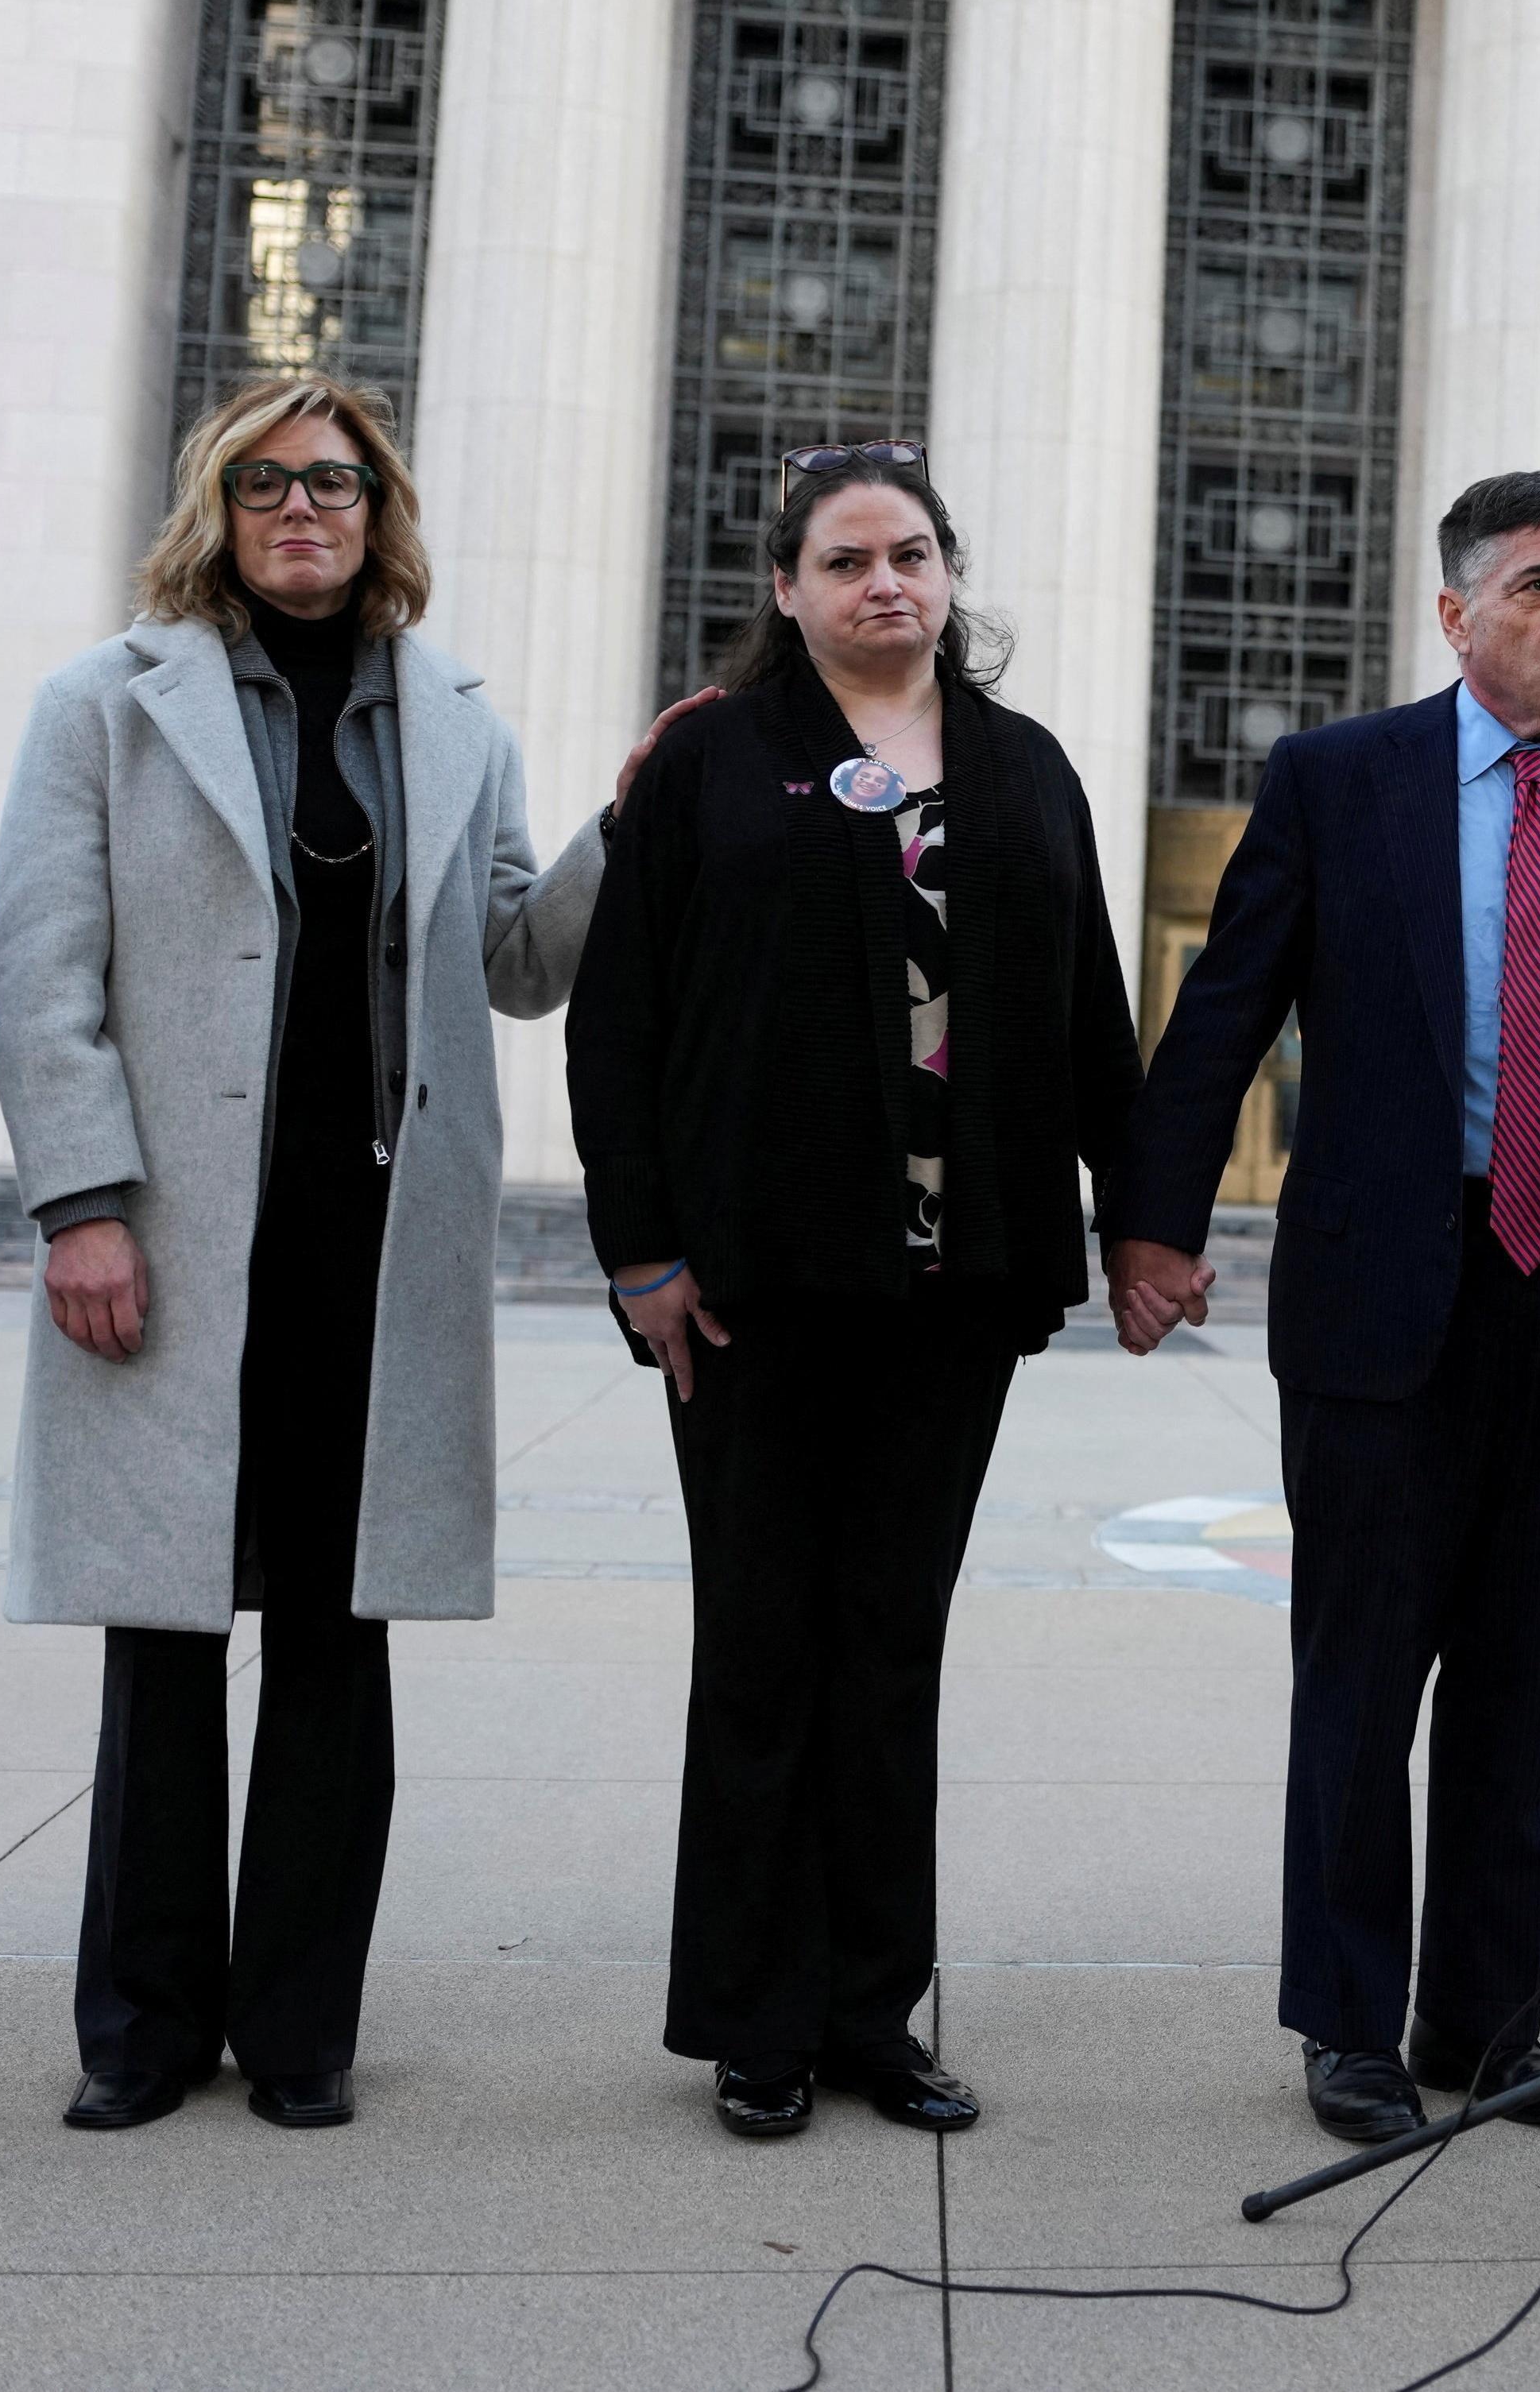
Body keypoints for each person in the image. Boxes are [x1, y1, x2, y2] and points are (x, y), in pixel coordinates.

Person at [0, 377, 656, 2133]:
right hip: (178, 1235)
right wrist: (80, 1204)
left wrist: (624, 824)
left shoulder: (453, 717)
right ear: (215, 506)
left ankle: (298, 2029)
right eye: (268, 482)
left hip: (376, 1248)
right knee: (161, 1628)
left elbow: (518, 961)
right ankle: (139, 2027)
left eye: (336, 483)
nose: (303, 508)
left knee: (337, 1638)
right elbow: (48, 982)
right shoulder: (103, 705)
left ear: (381, 510)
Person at [1109, 472, 1540, 2145]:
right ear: (1454, 614)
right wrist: (1148, 1223)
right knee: (1365, 1673)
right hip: (1388, 1285)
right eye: (1538, 586)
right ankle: (1350, 2018)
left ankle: (1489, 2019)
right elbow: (1221, 1013)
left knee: (1523, 1671)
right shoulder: (1337, 781)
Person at [567, 443, 1139, 2139]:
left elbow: (1088, 1011)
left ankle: (869, 2011)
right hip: (753, 1286)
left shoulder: (1024, 768)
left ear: (947, 575)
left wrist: (1144, 1218)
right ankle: (755, 2014)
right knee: (762, 1643)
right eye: (844, 560)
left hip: (953, 1289)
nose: (882, 583)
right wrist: (641, 1251)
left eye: (910, 553)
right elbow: (620, 1019)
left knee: (890, 1646)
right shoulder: (710, 764)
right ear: (788, 589)